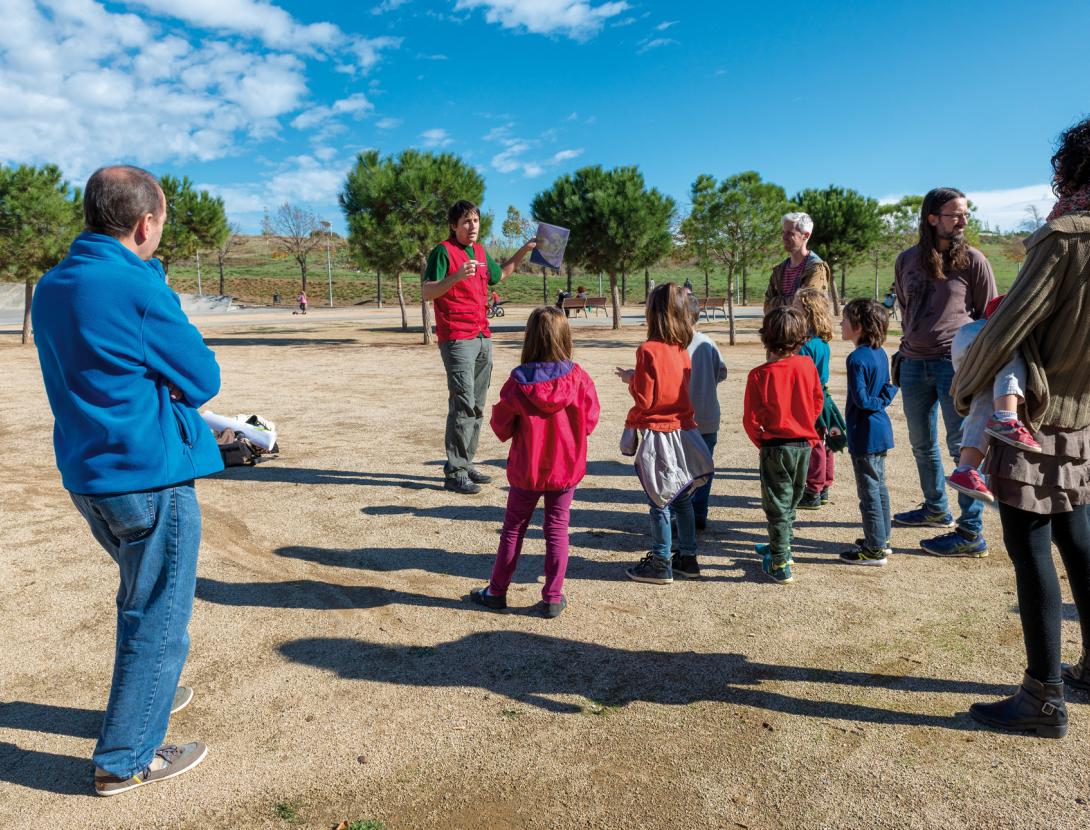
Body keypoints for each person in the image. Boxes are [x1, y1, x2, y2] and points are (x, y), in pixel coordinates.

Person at [31, 165, 223, 795]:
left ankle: (150, 694)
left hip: (89, 476)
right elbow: (201, 378)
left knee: (143, 599)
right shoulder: (136, 289)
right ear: (145, 225)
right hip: (149, 477)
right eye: (159, 226)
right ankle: (125, 758)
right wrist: (152, 283)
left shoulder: (55, 285)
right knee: (157, 614)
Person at [952, 117, 1090, 738]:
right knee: (1081, 545)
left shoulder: (1064, 238)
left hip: (1030, 416)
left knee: (1031, 549)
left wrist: (966, 388)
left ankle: (1043, 697)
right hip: (1083, 419)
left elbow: (1007, 328)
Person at [470, 307, 600, 618]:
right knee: (557, 528)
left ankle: (497, 591)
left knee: (513, 529)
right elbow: (590, 419)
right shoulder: (579, 377)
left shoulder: (518, 381)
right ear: (564, 337)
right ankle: (553, 596)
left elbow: (501, 425)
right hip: (565, 467)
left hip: (527, 468)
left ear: (530, 339)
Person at [892, 187, 997, 557]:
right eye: (956, 214)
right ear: (932, 218)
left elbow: (988, 317)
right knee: (922, 445)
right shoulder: (905, 260)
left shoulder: (973, 260)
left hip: (956, 368)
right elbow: (905, 309)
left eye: (965, 214)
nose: (964, 221)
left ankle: (970, 533)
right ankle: (935, 509)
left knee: (960, 447)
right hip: (912, 364)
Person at [422, 200, 536, 494]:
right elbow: (426, 291)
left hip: (482, 335)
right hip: (457, 337)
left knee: (478, 404)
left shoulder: (482, 252)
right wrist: (456, 276)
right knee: (463, 402)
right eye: (466, 222)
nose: (472, 227)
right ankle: (456, 472)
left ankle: (464, 461)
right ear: (453, 226)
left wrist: (524, 250)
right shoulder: (442, 252)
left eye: (475, 221)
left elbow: (503, 273)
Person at [617, 283, 713, 584]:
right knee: (682, 498)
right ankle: (688, 556)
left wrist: (632, 382)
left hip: (659, 435)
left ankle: (660, 560)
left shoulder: (647, 350)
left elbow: (646, 400)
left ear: (653, 313)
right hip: (684, 431)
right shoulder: (682, 350)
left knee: (659, 500)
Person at [743, 307, 824, 584]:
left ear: (765, 338)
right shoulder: (807, 367)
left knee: (777, 503)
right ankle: (781, 544)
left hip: (775, 445)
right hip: (803, 445)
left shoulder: (759, 375)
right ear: (802, 338)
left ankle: (780, 561)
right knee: (790, 501)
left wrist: (762, 441)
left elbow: (750, 418)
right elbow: (817, 402)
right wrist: (805, 425)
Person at [946, 294, 1040, 503]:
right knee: (1010, 348)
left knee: (985, 399)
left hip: (968, 348)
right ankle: (1006, 418)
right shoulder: (999, 320)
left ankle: (966, 468)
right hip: (980, 335)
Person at [837, 300, 898, 565]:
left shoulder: (856, 358)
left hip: (865, 432)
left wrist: (882, 398)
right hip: (880, 430)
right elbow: (884, 387)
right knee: (879, 487)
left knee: (869, 492)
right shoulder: (880, 352)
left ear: (858, 327)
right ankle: (881, 539)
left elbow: (862, 400)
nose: (841, 324)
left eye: (845, 320)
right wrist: (886, 395)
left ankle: (874, 548)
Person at [793, 288, 839, 509]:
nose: (792, 308)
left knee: (814, 444)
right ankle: (824, 487)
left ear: (808, 311)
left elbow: (801, 377)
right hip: (822, 395)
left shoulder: (805, 346)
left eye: (796, 305)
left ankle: (812, 490)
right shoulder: (822, 342)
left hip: (809, 398)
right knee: (825, 443)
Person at [685, 294, 728, 530]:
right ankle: (700, 511)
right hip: (709, 416)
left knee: (681, 468)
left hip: (683, 420)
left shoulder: (675, 345)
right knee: (705, 467)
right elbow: (722, 372)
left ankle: (681, 511)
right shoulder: (708, 342)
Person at [763, 212, 833, 314]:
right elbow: (767, 307)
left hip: (807, 330)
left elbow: (807, 306)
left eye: (790, 233)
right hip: (782, 329)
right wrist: (795, 300)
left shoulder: (816, 268)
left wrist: (777, 302)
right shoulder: (779, 270)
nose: (784, 237)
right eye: (783, 232)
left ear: (805, 235)